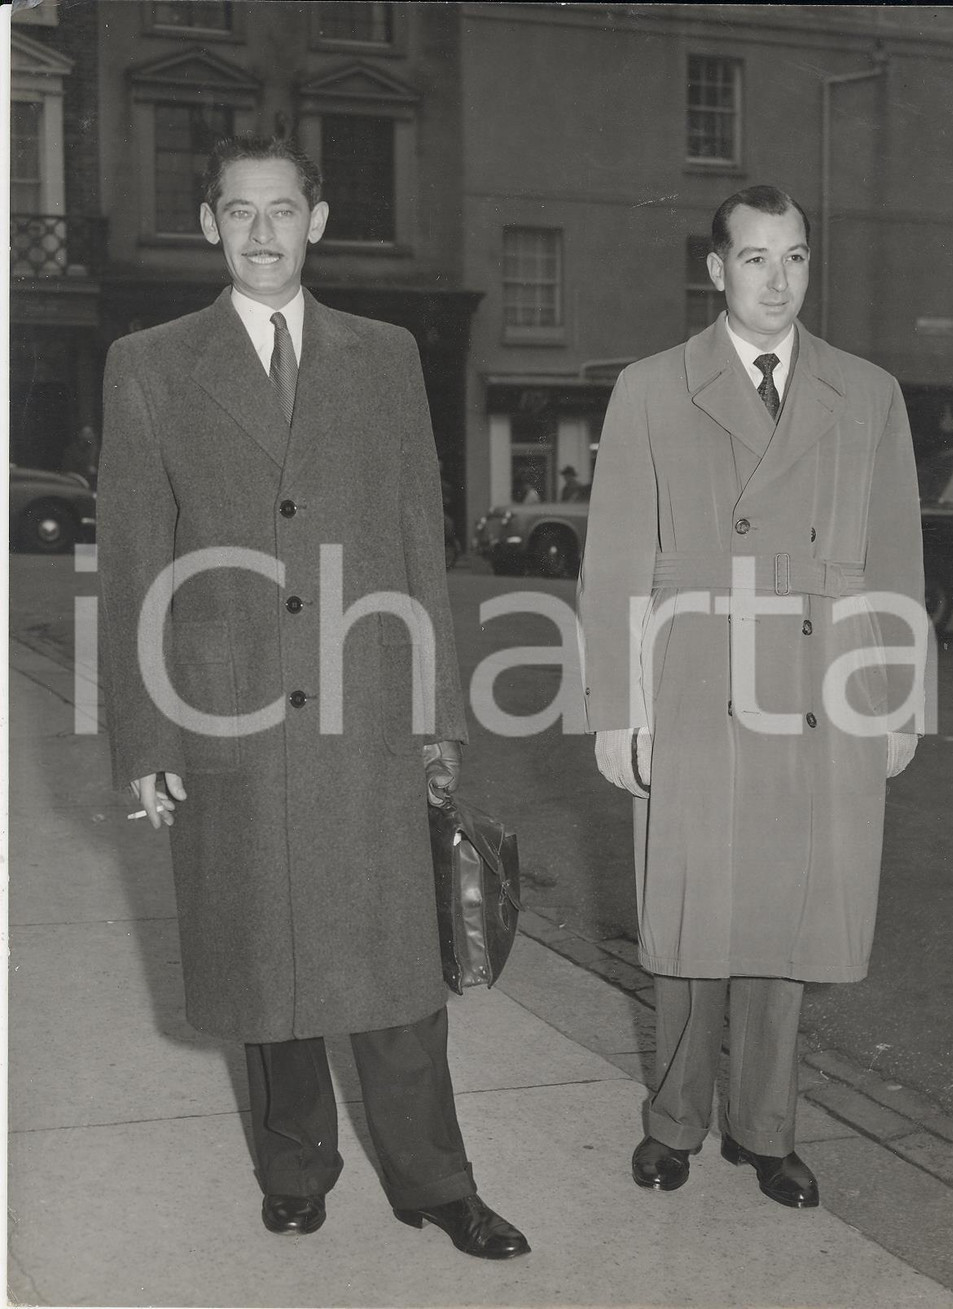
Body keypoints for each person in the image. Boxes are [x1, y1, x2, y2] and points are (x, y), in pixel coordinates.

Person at [98, 135, 529, 1258]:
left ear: (318, 221)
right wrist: (145, 736)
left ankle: (435, 1181)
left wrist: (435, 714)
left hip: (366, 712)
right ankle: (295, 1165)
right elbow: (139, 562)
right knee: (265, 967)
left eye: (281, 210)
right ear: (207, 225)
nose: (260, 232)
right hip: (226, 713)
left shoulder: (385, 355)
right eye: (237, 211)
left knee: (393, 973)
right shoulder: (150, 362)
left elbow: (415, 543)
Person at [577, 185, 925, 1210]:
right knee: (691, 921)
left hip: (821, 685)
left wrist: (898, 698)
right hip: (694, 679)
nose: (779, 280)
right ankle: (675, 1121)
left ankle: (764, 1129)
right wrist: (615, 710)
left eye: (797, 258)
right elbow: (612, 566)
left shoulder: (867, 393)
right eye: (757, 258)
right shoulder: (650, 389)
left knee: (788, 920)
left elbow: (896, 558)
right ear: (715, 269)